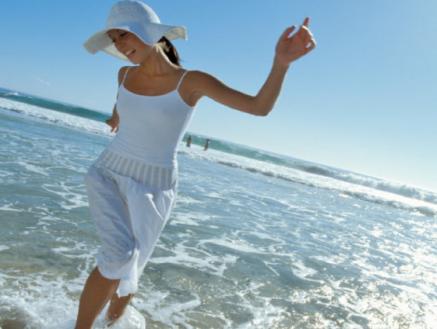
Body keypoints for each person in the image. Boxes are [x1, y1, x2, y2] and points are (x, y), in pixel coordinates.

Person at [76, 0, 316, 328]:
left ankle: (110, 325)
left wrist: (281, 63)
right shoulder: (124, 74)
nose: (119, 45)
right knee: (119, 256)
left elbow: (259, 107)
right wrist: (116, 118)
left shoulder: (190, 82)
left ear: (149, 33)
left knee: (133, 269)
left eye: (124, 35)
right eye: (115, 39)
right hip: (108, 172)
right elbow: (122, 106)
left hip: (156, 185)